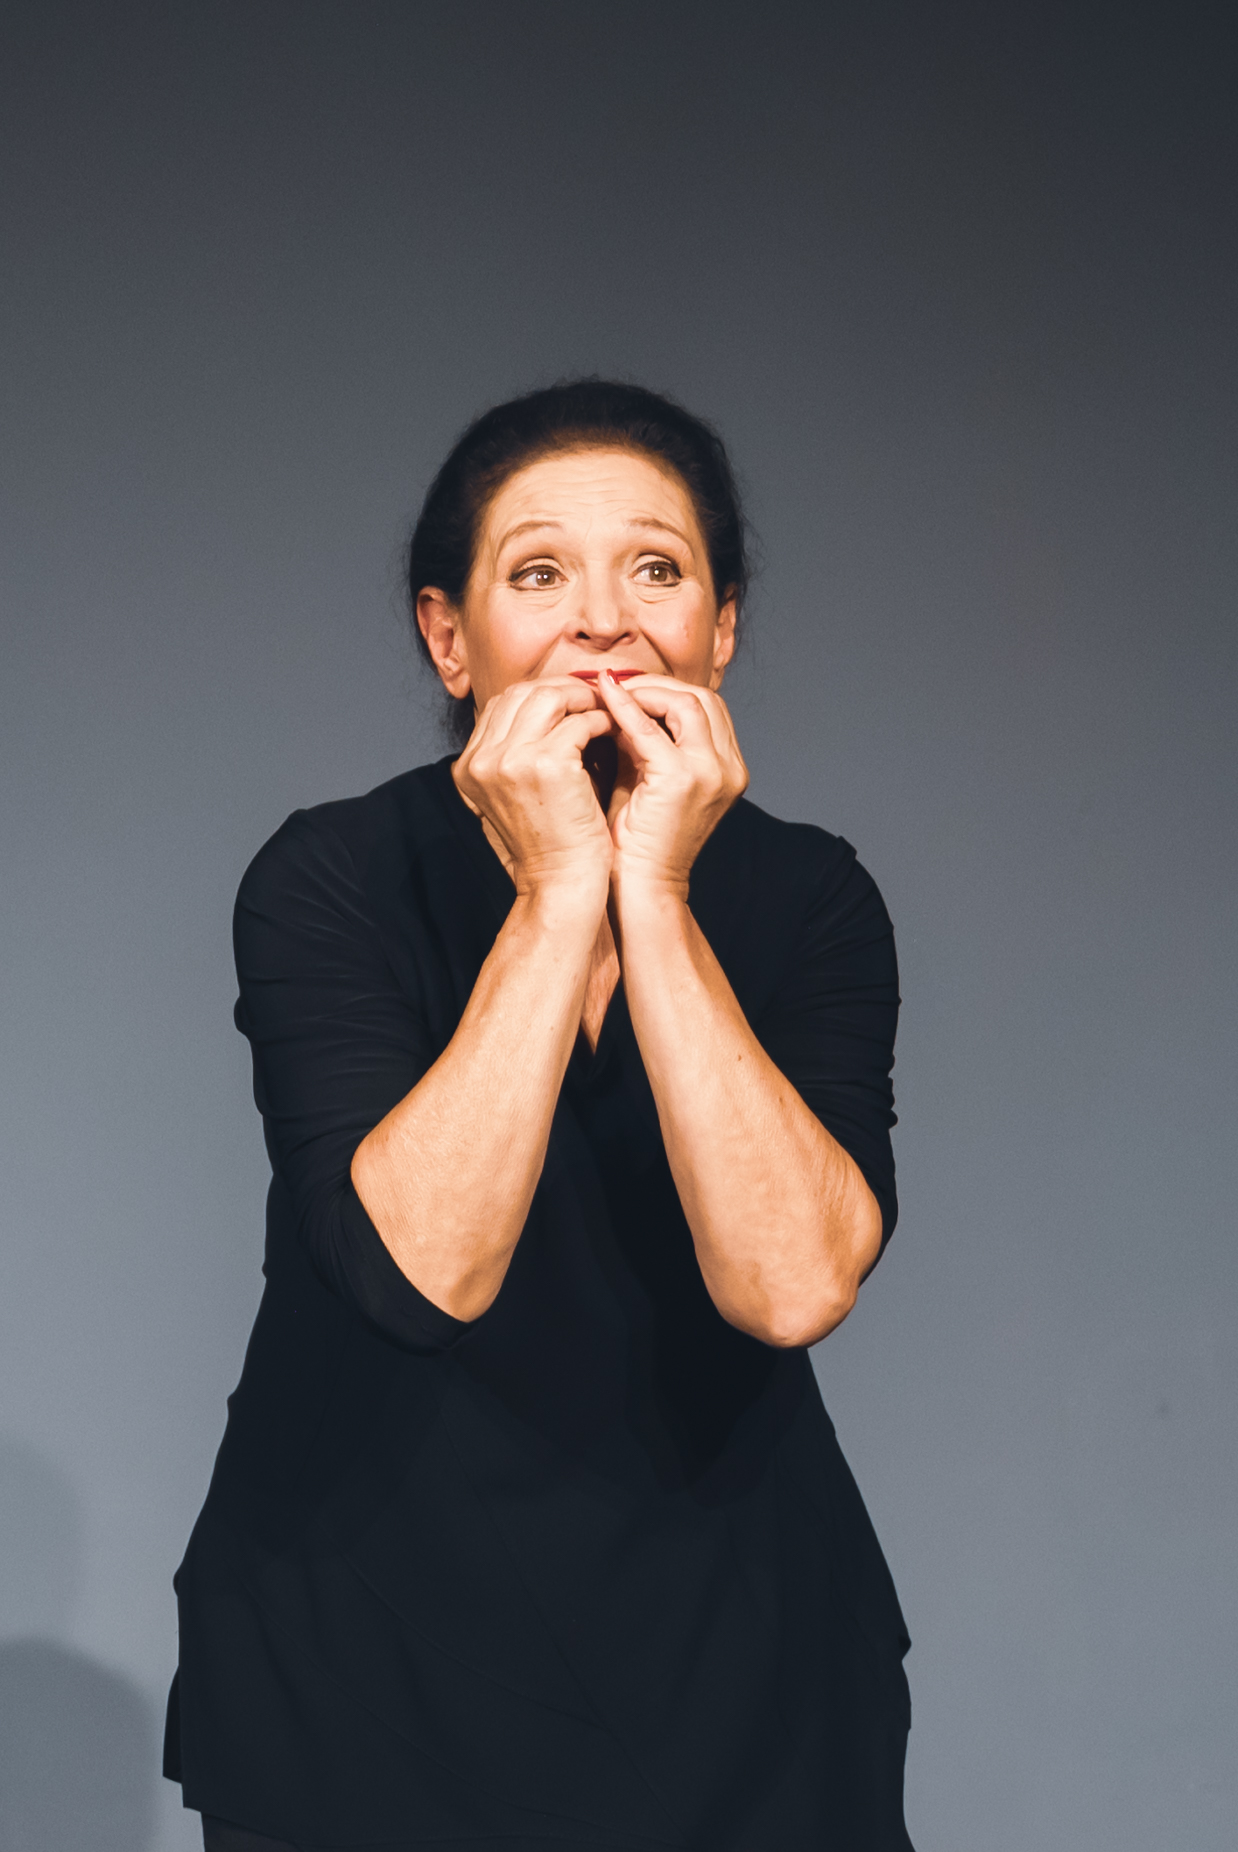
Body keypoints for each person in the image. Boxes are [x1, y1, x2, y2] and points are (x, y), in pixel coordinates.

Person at [164, 380, 913, 1851]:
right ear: (450, 637)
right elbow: (421, 1276)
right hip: (366, 1658)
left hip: (738, 1661)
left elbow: (789, 1287)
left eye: (657, 569)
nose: (604, 623)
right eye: (539, 575)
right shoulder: (330, 877)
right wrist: (561, 889)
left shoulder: (811, 894)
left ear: (721, 629)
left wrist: (655, 890)